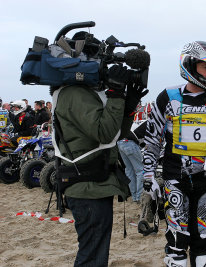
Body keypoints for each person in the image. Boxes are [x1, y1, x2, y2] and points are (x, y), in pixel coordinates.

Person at [52, 30, 148, 267]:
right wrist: (115, 94)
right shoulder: (73, 93)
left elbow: (116, 135)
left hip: (95, 186)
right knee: (92, 255)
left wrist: (127, 107)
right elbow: (104, 132)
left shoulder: (85, 93)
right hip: (87, 188)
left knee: (95, 251)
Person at [143, 41, 206, 267]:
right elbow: (151, 140)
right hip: (175, 179)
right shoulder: (167, 98)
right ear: (189, 65)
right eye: (205, 67)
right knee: (177, 240)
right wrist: (148, 175)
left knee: (203, 240)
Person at [117, 121, 146, 203]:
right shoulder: (151, 124)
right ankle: (140, 197)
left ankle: (134, 197)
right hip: (130, 143)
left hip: (120, 142)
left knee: (129, 171)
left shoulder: (141, 123)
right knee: (141, 170)